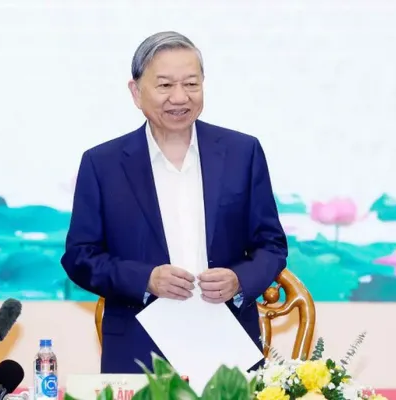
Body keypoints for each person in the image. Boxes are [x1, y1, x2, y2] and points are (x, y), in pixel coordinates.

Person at [60, 31, 288, 374]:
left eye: (191, 84)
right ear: (136, 92)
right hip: (138, 347)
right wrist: (146, 279)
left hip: (228, 344)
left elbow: (271, 245)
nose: (180, 97)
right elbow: (80, 257)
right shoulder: (102, 163)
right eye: (165, 85)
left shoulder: (243, 153)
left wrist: (239, 280)